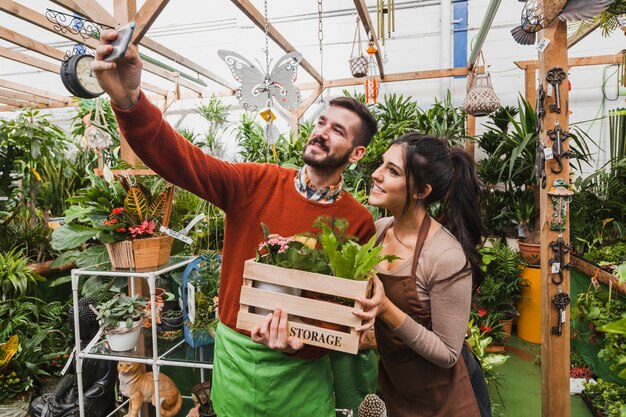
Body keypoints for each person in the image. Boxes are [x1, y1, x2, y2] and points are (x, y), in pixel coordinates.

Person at [92, 30, 378, 417]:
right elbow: (182, 161)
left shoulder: (357, 221)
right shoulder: (254, 183)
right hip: (237, 364)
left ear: (357, 153)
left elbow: (340, 311)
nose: (321, 133)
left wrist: (304, 343)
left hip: (302, 376)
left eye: (337, 131)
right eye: (321, 122)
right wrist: (128, 101)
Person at [354, 133, 492, 417]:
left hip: (445, 401)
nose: (376, 175)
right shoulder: (378, 232)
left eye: (392, 171)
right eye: (382, 164)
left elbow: (447, 354)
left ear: (421, 191)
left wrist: (385, 308)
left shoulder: (444, 255)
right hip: (397, 391)